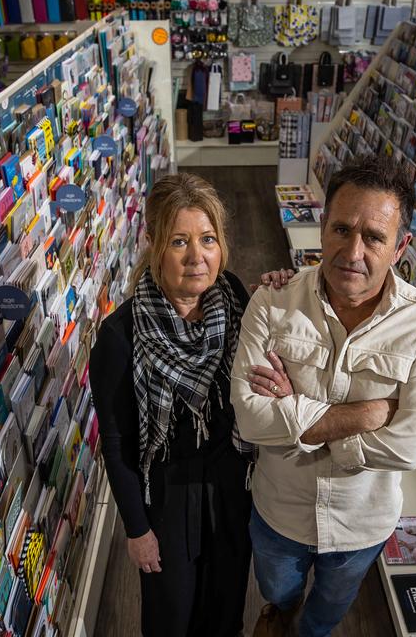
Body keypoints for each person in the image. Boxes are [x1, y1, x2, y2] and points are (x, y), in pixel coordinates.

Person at [231, 156, 416, 637]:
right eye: (341, 229)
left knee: (329, 610)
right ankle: (280, 613)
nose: (353, 251)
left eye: (374, 237)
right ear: (323, 227)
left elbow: (410, 446)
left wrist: (297, 421)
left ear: (400, 247)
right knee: (276, 590)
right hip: (279, 510)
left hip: (362, 524)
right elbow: (249, 418)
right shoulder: (272, 302)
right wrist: (366, 415)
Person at [89, 173, 258, 637]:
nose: (197, 257)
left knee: (225, 609)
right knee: (171, 617)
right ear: (155, 244)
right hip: (166, 496)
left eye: (208, 239)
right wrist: (137, 530)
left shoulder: (236, 298)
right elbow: (116, 441)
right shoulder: (119, 337)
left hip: (230, 488)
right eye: (179, 241)